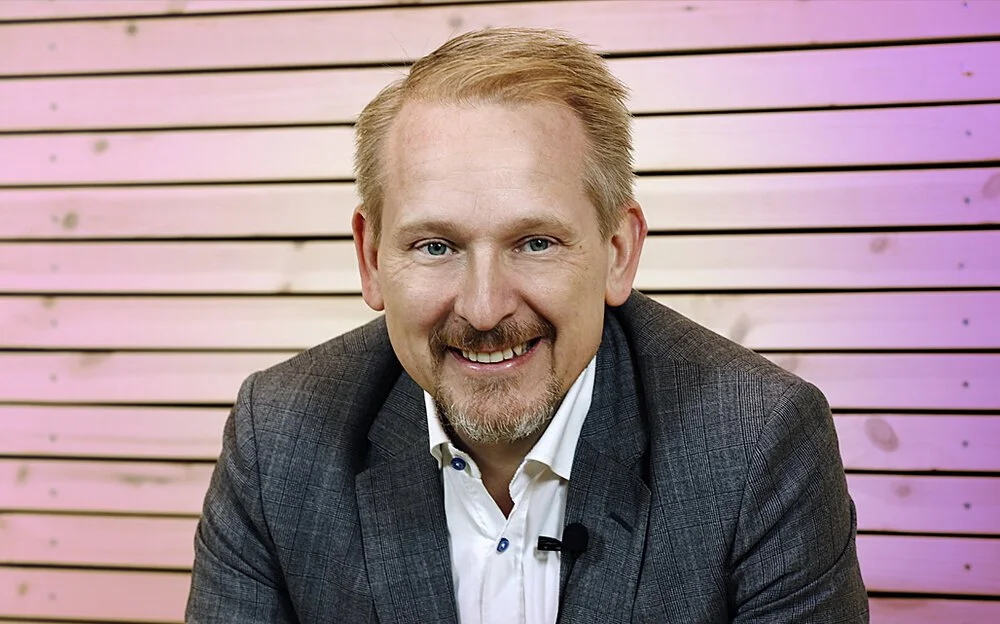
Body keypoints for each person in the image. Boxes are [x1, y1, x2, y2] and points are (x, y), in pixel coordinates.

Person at [187, 27, 868, 623]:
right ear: (371, 260)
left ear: (617, 253)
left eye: (535, 243)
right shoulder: (279, 436)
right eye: (436, 246)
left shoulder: (755, 441)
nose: (484, 309)